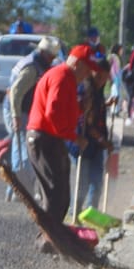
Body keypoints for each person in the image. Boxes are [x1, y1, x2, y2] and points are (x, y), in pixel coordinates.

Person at [26, 43, 99, 243]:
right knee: (54, 191)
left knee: (61, 190)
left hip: (52, 137)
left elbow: (64, 111)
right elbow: (53, 113)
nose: (87, 75)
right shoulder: (62, 76)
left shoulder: (67, 78)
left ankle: (54, 237)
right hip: (43, 138)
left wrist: (80, 108)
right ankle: (49, 240)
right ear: (77, 63)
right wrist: (74, 137)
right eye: (86, 69)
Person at [2, 40, 54, 199]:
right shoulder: (32, 68)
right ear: (45, 53)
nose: (52, 59)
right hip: (17, 110)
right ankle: (21, 193)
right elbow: (15, 93)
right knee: (23, 153)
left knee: (20, 151)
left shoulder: (37, 63)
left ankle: (14, 193)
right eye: (51, 56)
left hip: (23, 111)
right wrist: (16, 116)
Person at [73, 44, 113, 221]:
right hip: (83, 142)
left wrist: (106, 105)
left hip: (96, 145)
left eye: (105, 76)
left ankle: (91, 214)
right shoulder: (85, 88)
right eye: (100, 75)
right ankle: (75, 214)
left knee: (97, 182)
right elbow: (85, 120)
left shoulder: (98, 90)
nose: (102, 79)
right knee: (82, 183)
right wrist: (103, 140)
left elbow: (96, 113)